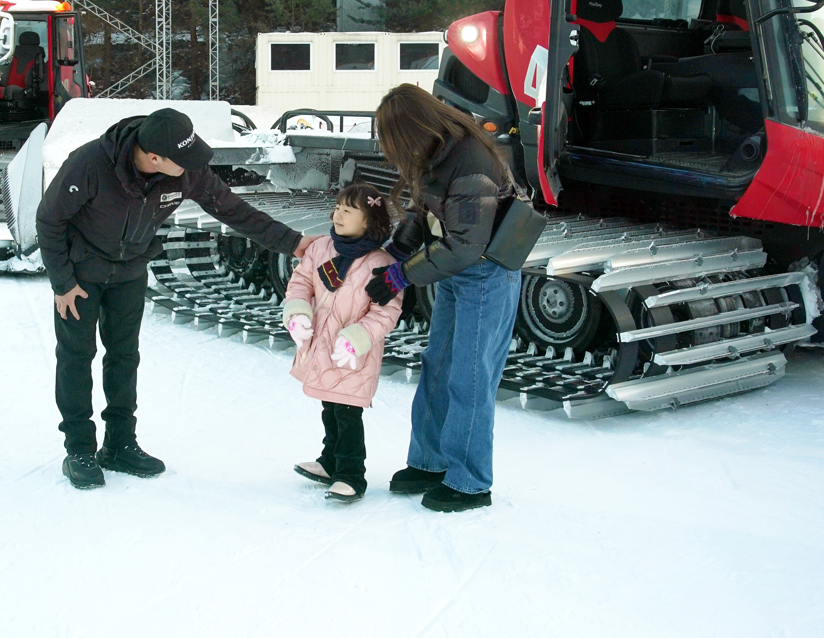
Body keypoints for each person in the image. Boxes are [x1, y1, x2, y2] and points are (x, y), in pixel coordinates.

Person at [36, 107, 317, 490]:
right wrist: (62, 282)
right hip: (80, 275)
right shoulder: (89, 163)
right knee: (76, 356)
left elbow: (233, 210)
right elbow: (49, 219)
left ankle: (119, 444)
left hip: (130, 270)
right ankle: (80, 450)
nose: (192, 166)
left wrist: (293, 242)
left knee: (123, 356)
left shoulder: (186, 171)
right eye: (183, 159)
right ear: (154, 158)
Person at [363, 84, 522, 512]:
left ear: (414, 130)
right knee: (438, 367)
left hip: (486, 273)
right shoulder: (435, 153)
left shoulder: (470, 161)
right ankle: (430, 463)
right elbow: (424, 210)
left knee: (470, 376)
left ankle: (470, 482)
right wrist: (394, 253)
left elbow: (467, 243)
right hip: (454, 268)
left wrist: (401, 275)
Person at [282, 183, 404, 504]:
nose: (338, 214)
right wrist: (298, 313)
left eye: (348, 211)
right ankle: (329, 462)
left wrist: (356, 339)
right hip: (322, 347)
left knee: (347, 414)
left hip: (353, 357)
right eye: (337, 207)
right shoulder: (321, 248)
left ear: (369, 221)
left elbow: (386, 312)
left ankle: (351, 475)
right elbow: (301, 282)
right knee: (330, 407)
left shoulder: (381, 263)